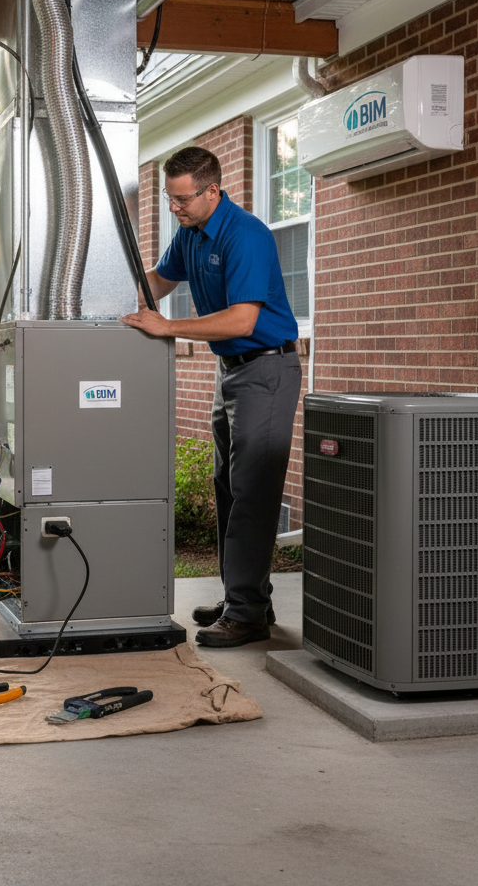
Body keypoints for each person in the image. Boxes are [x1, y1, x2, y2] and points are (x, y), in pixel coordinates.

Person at [121, 147, 302, 648]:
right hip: (232, 371)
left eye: (182, 199)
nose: (174, 208)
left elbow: (243, 320)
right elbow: (157, 281)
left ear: (212, 191)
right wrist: (115, 302)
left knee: (252, 491)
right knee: (227, 485)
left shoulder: (245, 235)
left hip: (266, 368)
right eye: (169, 198)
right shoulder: (191, 233)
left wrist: (168, 327)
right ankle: (242, 598)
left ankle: (246, 613)